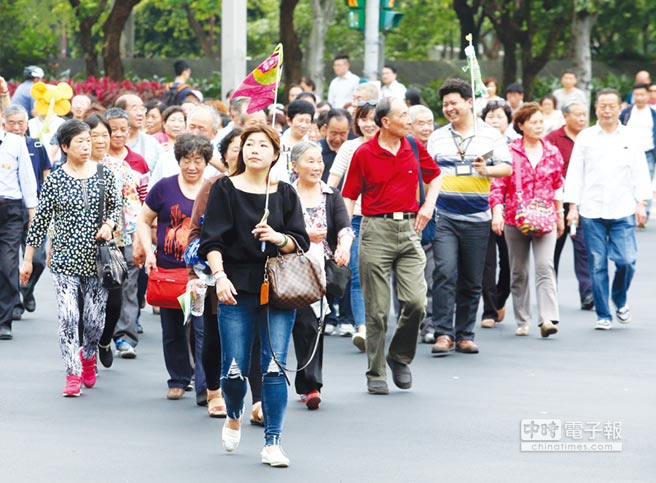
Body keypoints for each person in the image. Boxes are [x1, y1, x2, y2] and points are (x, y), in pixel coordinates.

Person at [198, 125, 310, 467]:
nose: (255, 150)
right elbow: (210, 242)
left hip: (278, 288)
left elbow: (300, 241)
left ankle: (272, 442)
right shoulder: (225, 189)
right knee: (233, 369)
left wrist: (277, 237)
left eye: (263, 145)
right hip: (234, 285)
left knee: (274, 367)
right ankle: (234, 414)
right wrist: (218, 278)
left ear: (276, 154)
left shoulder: (286, 192)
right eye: (249, 144)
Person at [343, 97, 441, 395]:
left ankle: (399, 356)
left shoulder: (413, 146)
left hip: (410, 228)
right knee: (378, 311)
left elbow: (435, 176)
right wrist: (346, 235)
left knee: (416, 303)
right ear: (386, 122)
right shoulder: (364, 153)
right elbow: (348, 196)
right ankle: (376, 372)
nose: (409, 120)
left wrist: (428, 206)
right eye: (403, 115)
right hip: (375, 230)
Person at [20, 119, 121, 395]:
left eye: (88, 141)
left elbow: (116, 208)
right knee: (67, 316)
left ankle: (88, 355)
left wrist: (109, 225)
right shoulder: (55, 179)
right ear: (64, 146)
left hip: (97, 262)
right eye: (80, 142)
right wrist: (28, 259)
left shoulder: (104, 173)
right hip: (64, 260)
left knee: (94, 320)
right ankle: (72, 373)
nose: (87, 146)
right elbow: (39, 222)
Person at [426, 79, 512, 356]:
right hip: (445, 216)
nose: (449, 108)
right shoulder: (438, 137)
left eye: (454, 103)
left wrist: (486, 170)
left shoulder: (490, 135)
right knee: (444, 272)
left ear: (469, 103)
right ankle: (443, 333)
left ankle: (464, 334)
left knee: (472, 279)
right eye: (445, 104)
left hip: (477, 217)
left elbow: (507, 168)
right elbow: (427, 174)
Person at [186, 127, 265, 421]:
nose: (248, 151)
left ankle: (258, 401)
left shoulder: (270, 187)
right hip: (214, 275)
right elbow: (196, 234)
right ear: (228, 153)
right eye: (240, 146)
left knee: (258, 337)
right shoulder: (214, 186)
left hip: (257, 275)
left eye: (257, 146)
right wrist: (195, 274)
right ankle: (214, 391)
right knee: (215, 337)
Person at [565, 88, 652, 330]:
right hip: (591, 210)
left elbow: (639, 171)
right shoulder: (586, 137)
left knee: (626, 261)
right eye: (602, 105)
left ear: (619, 108)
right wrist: (573, 206)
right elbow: (575, 173)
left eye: (611, 105)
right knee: (597, 263)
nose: (606, 110)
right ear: (596, 108)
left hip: (623, 208)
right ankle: (603, 314)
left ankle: (619, 298)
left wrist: (641, 202)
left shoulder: (630, 137)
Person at [137, 133, 209, 404]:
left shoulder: (213, 188)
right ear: (178, 160)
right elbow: (143, 220)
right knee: (174, 329)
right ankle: (178, 378)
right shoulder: (164, 188)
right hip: (168, 269)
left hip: (202, 273)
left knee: (202, 328)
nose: (192, 166)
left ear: (206, 162)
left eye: (198, 160)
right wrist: (148, 252)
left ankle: (205, 385)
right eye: (187, 160)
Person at [489, 103, 565, 337]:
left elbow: (557, 185)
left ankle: (548, 318)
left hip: (546, 218)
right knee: (519, 271)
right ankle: (523, 319)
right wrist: (497, 212)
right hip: (514, 217)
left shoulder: (552, 151)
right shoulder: (509, 152)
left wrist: (560, 214)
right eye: (533, 122)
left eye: (541, 121)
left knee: (545, 266)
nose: (539, 126)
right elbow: (497, 185)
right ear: (520, 126)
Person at [291, 141, 354, 409]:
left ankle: (312, 385)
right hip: (292, 268)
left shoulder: (331, 194)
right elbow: (277, 228)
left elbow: (344, 227)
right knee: (303, 324)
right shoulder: (286, 194)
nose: (317, 166)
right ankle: (305, 382)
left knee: (316, 324)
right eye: (310, 161)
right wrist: (305, 235)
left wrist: (344, 246)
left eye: (319, 161)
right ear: (295, 166)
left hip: (322, 270)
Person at [86, 113, 141, 368]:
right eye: (93, 135)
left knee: (114, 301)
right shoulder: (71, 168)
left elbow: (132, 207)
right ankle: (84, 355)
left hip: (113, 244)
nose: (100, 141)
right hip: (79, 247)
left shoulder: (120, 168)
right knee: (81, 302)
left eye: (104, 135)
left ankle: (106, 339)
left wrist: (133, 238)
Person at [327, 101, 379, 347]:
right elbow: (332, 184)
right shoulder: (349, 147)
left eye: (373, 118)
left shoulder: (391, 146)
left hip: (383, 220)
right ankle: (363, 327)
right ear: (357, 122)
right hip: (355, 219)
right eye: (363, 118)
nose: (368, 124)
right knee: (358, 276)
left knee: (381, 275)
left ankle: (377, 323)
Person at [105, 107, 149, 356]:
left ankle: (125, 337)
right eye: (113, 130)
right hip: (102, 238)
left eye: (123, 129)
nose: (118, 134)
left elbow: (143, 201)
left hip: (128, 235)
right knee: (105, 288)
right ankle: (102, 335)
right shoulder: (95, 161)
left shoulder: (137, 162)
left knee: (129, 285)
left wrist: (142, 236)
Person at [3, 105, 51, 319]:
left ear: (27, 124)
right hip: (12, 209)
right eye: (11, 122)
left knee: (38, 259)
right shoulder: (7, 145)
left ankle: (26, 290)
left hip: (33, 208)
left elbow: (45, 177)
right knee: (9, 261)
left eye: (20, 122)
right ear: (4, 123)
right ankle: (13, 304)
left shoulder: (36, 145)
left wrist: (44, 210)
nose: (16, 127)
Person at [546, 101, 594, 311]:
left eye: (584, 114)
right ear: (565, 117)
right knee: (553, 250)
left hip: (583, 201)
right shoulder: (553, 139)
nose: (582, 118)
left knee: (583, 248)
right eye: (577, 115)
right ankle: (550, 294)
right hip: (557, 202)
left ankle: (587, 293)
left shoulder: (592, 137)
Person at [0, 108, 39, 341]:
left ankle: (4, 320)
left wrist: (33, 215)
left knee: (7, 263)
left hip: (10, 209)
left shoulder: (15, 143)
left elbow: (26, 178)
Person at [478, 100, 513, 330]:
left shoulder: (516, 145)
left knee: (510, 262)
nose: (495, 120)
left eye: (499, 116)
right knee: (487, 262)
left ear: (508, 120)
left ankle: (500, 299)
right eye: (490, 116)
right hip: (482, 207)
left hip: (511, 212)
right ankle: (489, 309)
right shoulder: (479, 146)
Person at [408, 105, 440, 342]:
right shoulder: (403, 148)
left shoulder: (439, 146)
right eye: (421, 123)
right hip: (407, 220)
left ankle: (429, 325)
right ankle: (407, 325)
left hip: (437, 219)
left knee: (432, 275)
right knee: (405, 277)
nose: (427, 128)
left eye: (430, 122)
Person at [619, 82, 656, 224]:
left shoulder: (653, 114)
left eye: (642, 94)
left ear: (648, 95)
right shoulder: (626, 113)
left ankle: (643, 214)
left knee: (646, 181)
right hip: (627, 152)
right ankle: (628, 210)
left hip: (648, 152)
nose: (639, 97)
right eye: (636, 95)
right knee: (627, 180)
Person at [115, 93, 162, 172]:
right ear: (121, 112)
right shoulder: (112, 141)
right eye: (135, 109)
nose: (140, 113)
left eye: (142, 109)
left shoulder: (152, 142)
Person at [277, 99, 315, 183]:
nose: (304, 125)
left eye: (307, 122)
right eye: (300, 121)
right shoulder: (278, 144)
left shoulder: (312, 147)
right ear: (289, 121)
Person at [318, 108, 351, 180]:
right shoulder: (316, 150)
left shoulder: (353, 151)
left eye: (342, 134)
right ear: (326, 128)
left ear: (348, 130)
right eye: (334, 133)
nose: (337, 139)